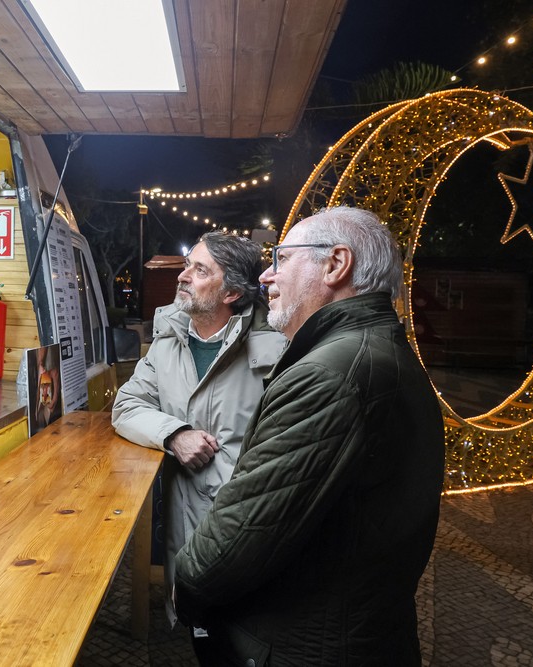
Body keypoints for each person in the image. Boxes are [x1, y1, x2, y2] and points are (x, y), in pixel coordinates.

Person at [174, 207, 445, 666]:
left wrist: (186, 590)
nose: (266, 275)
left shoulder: (330, 375)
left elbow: (233, 544)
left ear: (336, 265)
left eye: (281, 258)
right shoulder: (372, 351)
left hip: (304, 646)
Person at [111, 231, 287, 641]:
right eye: (188, 264)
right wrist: (174, 434)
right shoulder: (168, 342)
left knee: (250, 638)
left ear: (232, 293)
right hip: (186, 528)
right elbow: (126, 407)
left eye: (200, 269)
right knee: (203, 637)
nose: (182, 276)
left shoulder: (278, 351)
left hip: (247, 530)